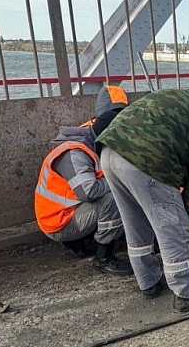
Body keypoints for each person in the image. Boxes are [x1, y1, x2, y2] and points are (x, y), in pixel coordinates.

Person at [96, 89, 189, 312]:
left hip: (109, 151)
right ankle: (187, 294)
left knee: (136, 224)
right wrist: (187, 211)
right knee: (173, 227)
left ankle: (149, 282)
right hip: (146, 159)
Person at [34, 88, 132, 276]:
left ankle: (83, 240)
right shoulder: (75, 152)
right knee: (113, 199)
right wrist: (120, 179)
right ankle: (104, 257)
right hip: (59, 222)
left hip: (72, 210)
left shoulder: (94, 130)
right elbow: (89, 192)